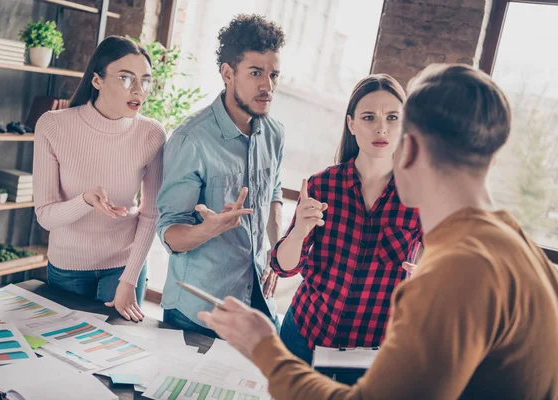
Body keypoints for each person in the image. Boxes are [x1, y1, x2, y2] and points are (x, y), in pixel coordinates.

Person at [198, 63, 558, 399]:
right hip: (308, 336)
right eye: (370, 118)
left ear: (409, 148)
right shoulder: (518, 245)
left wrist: (263, 345)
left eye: (395, 123)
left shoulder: (456, 271)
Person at [271, 74, 422, 365]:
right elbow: (283, 267)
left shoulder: (420, 195)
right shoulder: (322, 185)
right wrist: (299, 231)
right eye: (369, 117)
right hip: (304, 337)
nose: (381, 127)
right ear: (352, 124)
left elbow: (440, 268)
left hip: (371, 355)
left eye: (392, 117)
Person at [156, 14, 286, 337]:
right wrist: (209, 230)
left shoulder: (274, 133)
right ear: (228, 73)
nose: (267, 86)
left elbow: (273, 194)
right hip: (197, 310)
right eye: (256, 73)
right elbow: (169, 232)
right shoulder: (191, 140)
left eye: (273, 74)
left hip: (252, 301)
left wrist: (277, 249)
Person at [33, 36, 166, 322]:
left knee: (114, 358)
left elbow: (151, 213)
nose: (138, 90)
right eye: (126, 78)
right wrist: (84, 200)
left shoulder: (152, 134)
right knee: (60, 355)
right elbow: (45, 216)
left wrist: (129, 280)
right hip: (67, 267)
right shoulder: (53, 125)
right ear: (97, 80)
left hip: (123, 267)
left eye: (145, 80)